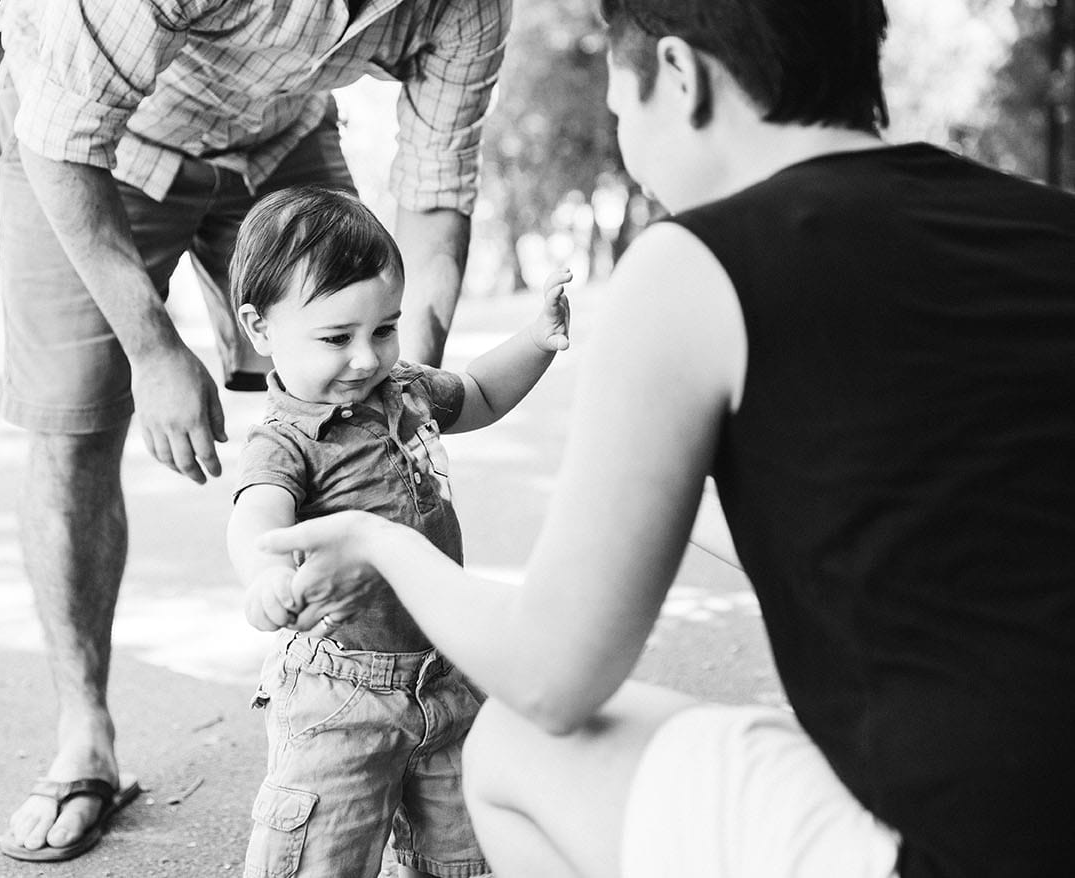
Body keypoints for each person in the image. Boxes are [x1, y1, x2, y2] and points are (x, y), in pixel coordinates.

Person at [254, 1, 1075, 875]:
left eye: (619, 111)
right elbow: (912, 528)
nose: (632, 156)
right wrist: (654, 494)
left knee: (514, 743)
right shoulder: (1050, 223)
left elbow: (550, 677)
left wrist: (377, 542)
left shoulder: (698, 259)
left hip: (970, 846)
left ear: (679, 76)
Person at [0, 0, 512, 861]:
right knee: (75, 417)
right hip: (90, 142)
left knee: (342, 329)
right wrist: (155, 350)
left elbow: (436, 186)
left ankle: (361, 702)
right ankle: (84, 735)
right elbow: (65, 132)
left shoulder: (469, 7)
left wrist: (393, 378)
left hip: (278, 129)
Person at [225, 185, 571, 878]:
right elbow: (256, 514)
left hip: (447, 674)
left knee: (466, 855)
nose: (365, 358)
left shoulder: (404, 389)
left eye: (383, 328)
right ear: (259, 329)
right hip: (340, 696)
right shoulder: (286, 443)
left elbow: (480, 394)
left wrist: (537, 341)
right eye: (335, 337)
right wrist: (266, 577)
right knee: (323, 855)